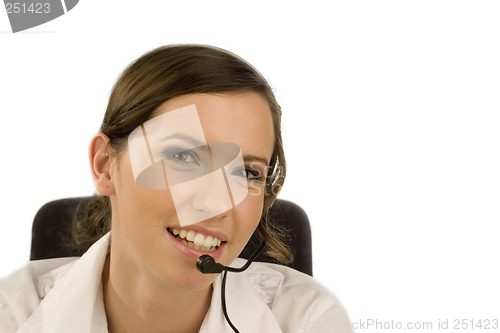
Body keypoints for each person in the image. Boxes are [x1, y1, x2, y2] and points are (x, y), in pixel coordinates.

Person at [0, 44, 353, 333]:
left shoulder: (309, 320)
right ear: (105, 165)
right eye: (183, 156)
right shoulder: (10, 316)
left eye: (247, 171)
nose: (217, 202)